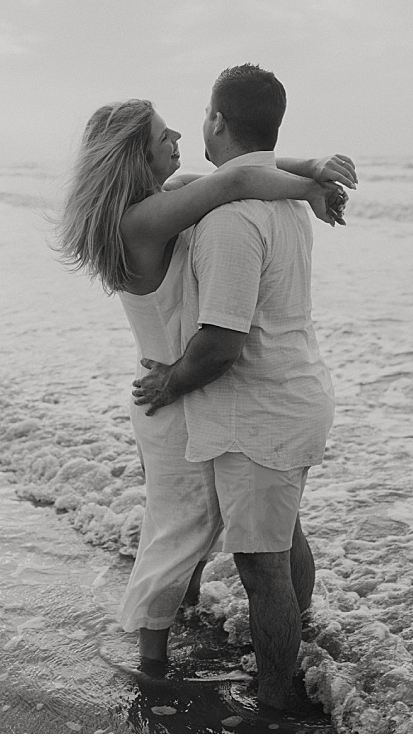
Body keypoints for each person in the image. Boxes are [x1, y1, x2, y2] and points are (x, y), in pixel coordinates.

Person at [55, 97, 353, 676]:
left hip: (183, 387)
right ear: (133, 159)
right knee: (179, 531)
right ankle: (151, 659)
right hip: (170, 393)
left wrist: (308, 177)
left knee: (198, 530)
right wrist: (312, 175)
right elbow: (238, 178)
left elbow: (243, 172)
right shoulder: (140, 220)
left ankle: (190, 623)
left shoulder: (166, 200)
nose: (177, 142)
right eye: (162, 138)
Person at [132, 64, 338, 716]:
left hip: (260, 410)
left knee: (262, 568)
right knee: (284, 541)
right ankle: (296, 652)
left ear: (218, 121)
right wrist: (314, 176)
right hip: (297, 393)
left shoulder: (228, 218)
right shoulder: (278, 198)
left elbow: (221, 342)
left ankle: (275, 706)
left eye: (199, 117)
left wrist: (170, 380)